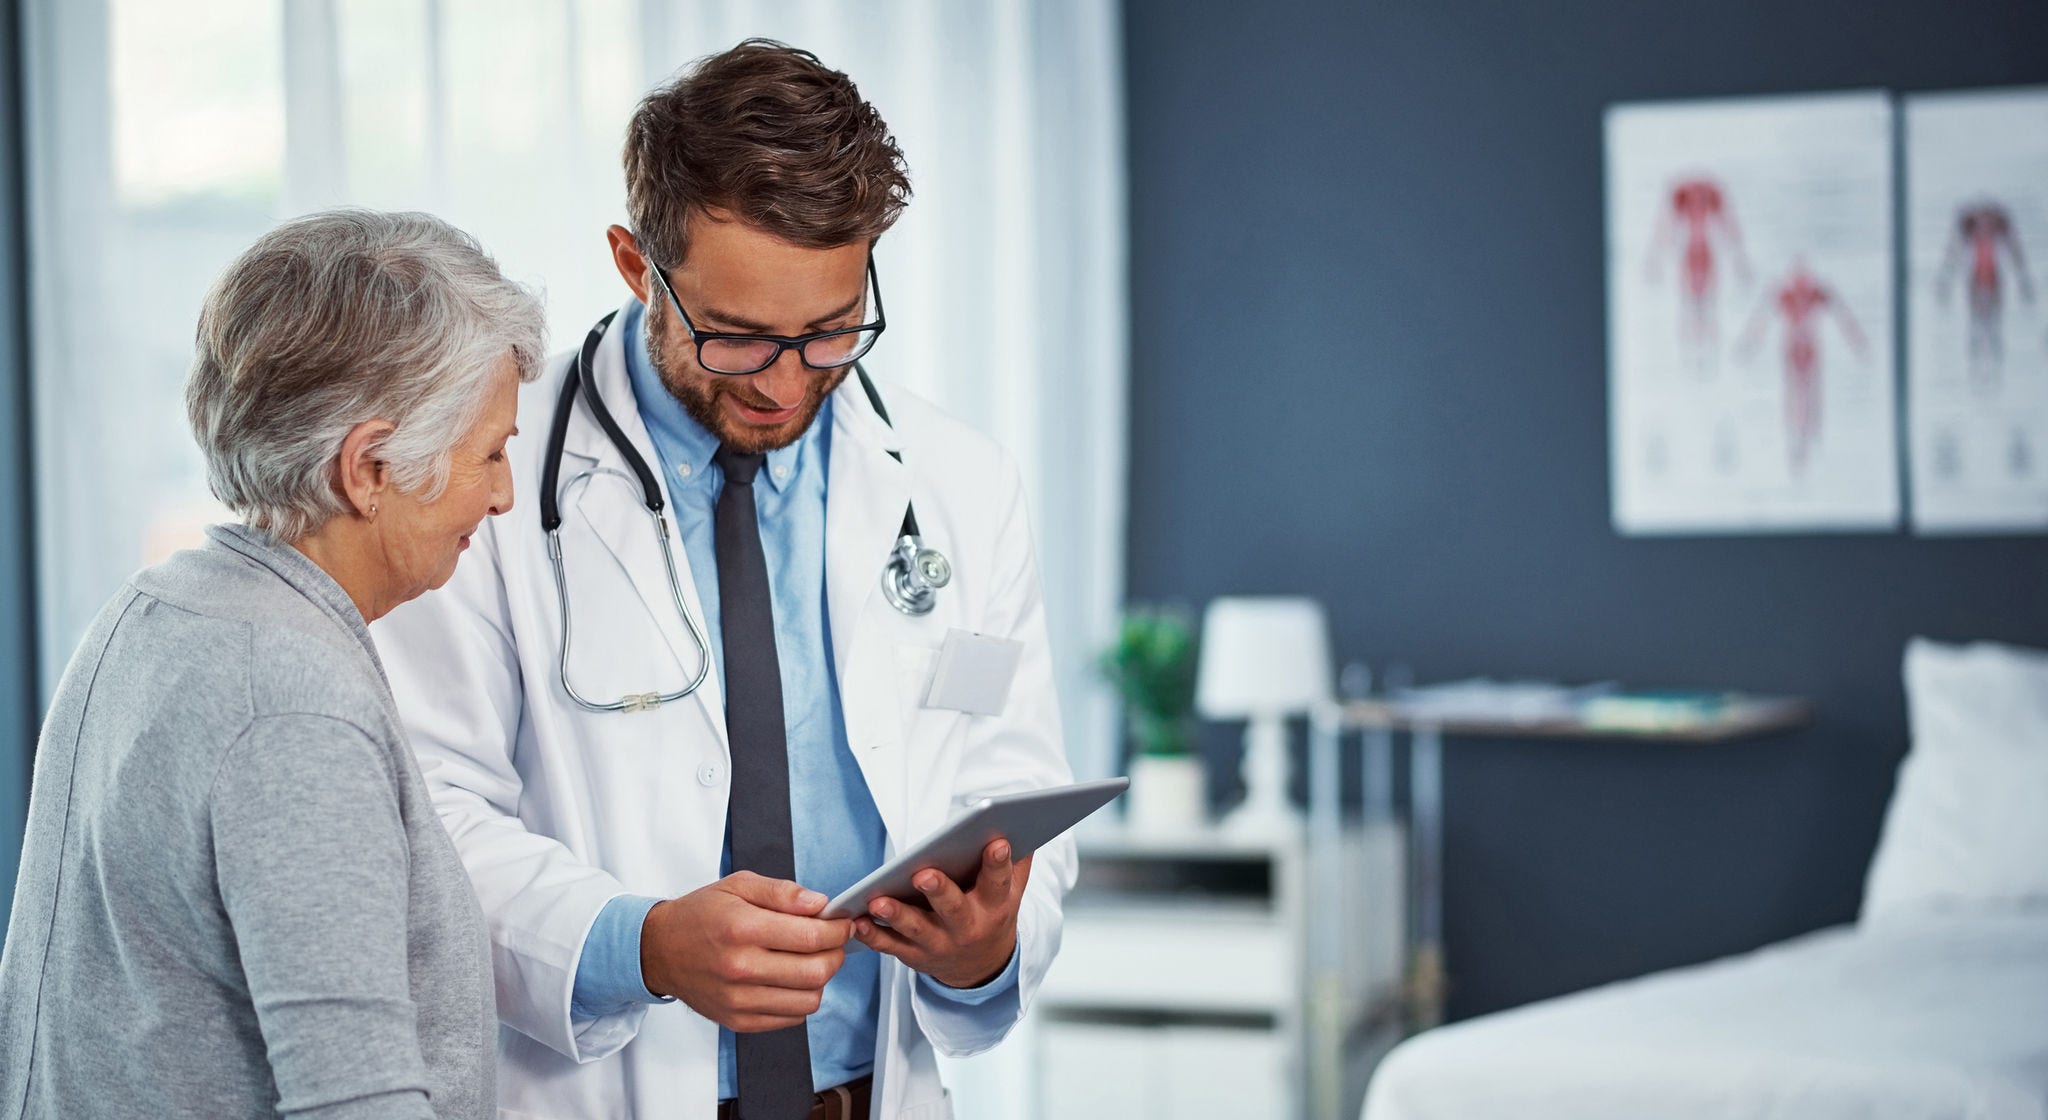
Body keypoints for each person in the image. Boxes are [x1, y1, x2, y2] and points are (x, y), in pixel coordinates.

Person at [370, 40, 1075, 1120]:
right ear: (633, 263)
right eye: (739, 338)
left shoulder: (960, 483)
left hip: (862, 1093)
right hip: (605, 1090)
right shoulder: (487, 484)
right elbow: (426, 815)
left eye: (831, 330)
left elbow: (1011, 787)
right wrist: (640, 943)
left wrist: (982, 945)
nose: (788, 382)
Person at [0, 209, 544, 1119]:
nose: (502, 494)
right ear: (368, 467)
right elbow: (357, 1101)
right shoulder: (287, 702)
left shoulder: (156, 610)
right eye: (489, 453)